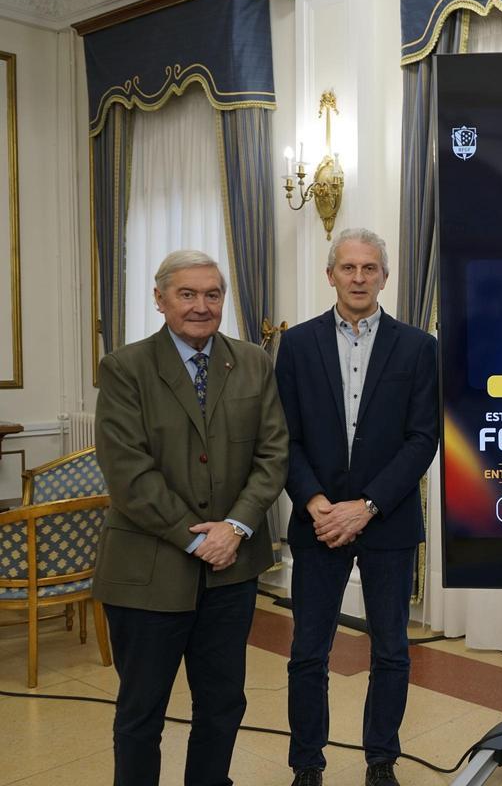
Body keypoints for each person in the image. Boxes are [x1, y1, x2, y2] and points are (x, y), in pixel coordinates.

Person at [94, 250, 289, 786]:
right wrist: (195, 538)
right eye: (187, 294)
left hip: (233, 570)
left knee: (223, 704)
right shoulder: (124, 368)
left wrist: (236, 527)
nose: (202, 306)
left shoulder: (253, 362)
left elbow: (274, 456)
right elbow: (129, 475)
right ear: (159, 300)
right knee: (141, 714)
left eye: (212, 294)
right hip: (147, 573)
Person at [275, 228, 439, 786]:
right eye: (349, 268)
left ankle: (381, 762)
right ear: (331, 276)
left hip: (387, 520)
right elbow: (284, 437)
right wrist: (318, 501)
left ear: (385, 277)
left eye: (370, 268)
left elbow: (423, 439)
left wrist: (366, 506)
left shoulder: (418, 347)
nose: (359, 278)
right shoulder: (296, 345)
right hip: (317, 521)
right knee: (307, 654)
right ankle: (306, 766)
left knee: (391, 650)